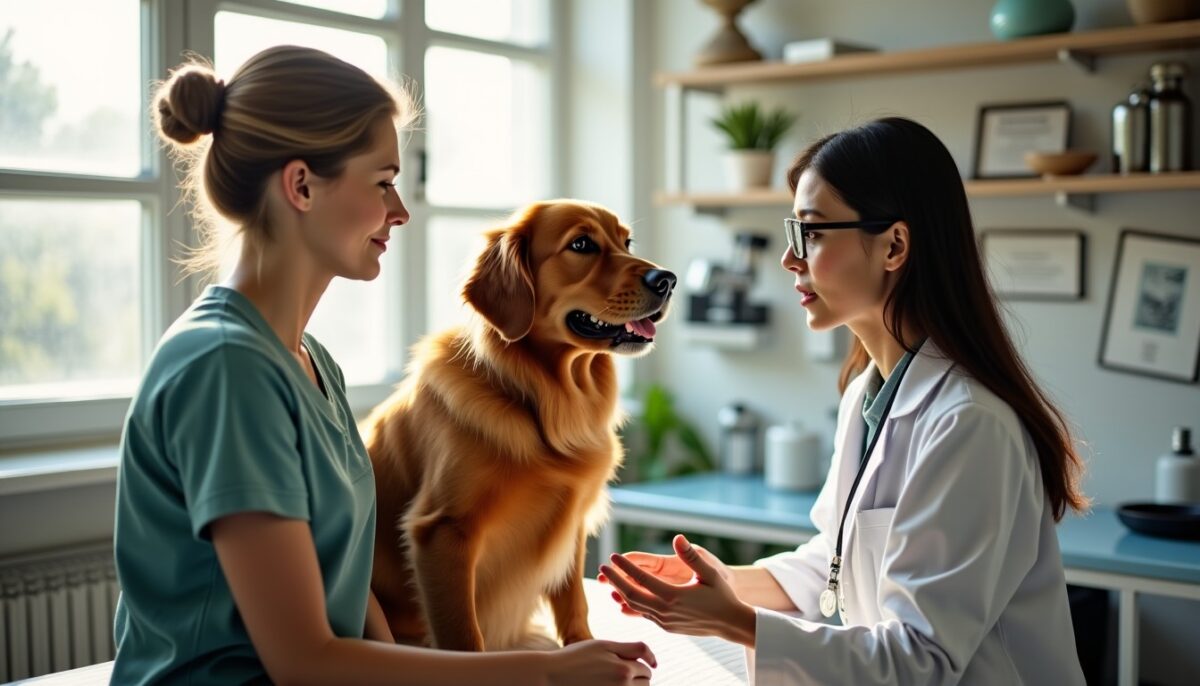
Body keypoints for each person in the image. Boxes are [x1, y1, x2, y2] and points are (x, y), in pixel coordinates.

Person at [112, 45, 654, 685]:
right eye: (382, 182)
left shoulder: (308, 360)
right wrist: (544, 676)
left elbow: (345, 589)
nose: (398, 211)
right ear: (302, 186)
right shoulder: (225, 369)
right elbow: (303, 660)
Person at [599, 117, 1089, 685]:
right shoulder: (868, 393)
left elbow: (921, 660)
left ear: (894, 246)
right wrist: (715, 583)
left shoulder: (969, 424)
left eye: (812, 232)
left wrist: (739, 623)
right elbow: (830, 564)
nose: (790, 259)